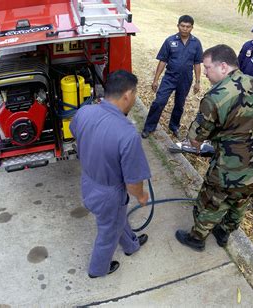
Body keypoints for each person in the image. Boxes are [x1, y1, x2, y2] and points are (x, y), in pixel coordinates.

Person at [175, 44, 253, 251]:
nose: (205, 73)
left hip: (230, 167)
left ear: (222, 66)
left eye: (207, 67)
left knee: (211, 202)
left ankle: (197, 239)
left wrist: (214, 139)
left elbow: (195, 139)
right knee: (240, 200)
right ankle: (223, 233)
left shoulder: (215, 97)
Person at [70, 70, 151, 278]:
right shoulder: (127, 134)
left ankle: (131, 245)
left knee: (116, 220)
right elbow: (133, 183)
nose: (135, 98)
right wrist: (141, 197)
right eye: (135, 94)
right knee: (107, 233)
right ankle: (98, 269)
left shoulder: (85, 112)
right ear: (127, 95)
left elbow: (75, 132)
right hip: (109, 195)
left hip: (89, 183)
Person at [141, 15, 203, 139]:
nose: (185, 29)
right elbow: (162, 61)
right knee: (159, 102)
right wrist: (155, 80)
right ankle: (149, 127)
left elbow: (197, 63)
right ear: (178, 26)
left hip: (185, 80)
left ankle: (174, 126)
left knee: (179, 104)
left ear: (192, 28)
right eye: (182, 26)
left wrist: (197, 82)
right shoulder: (170, 41)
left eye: (188, 27)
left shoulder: (196, 43)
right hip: (169, 77)